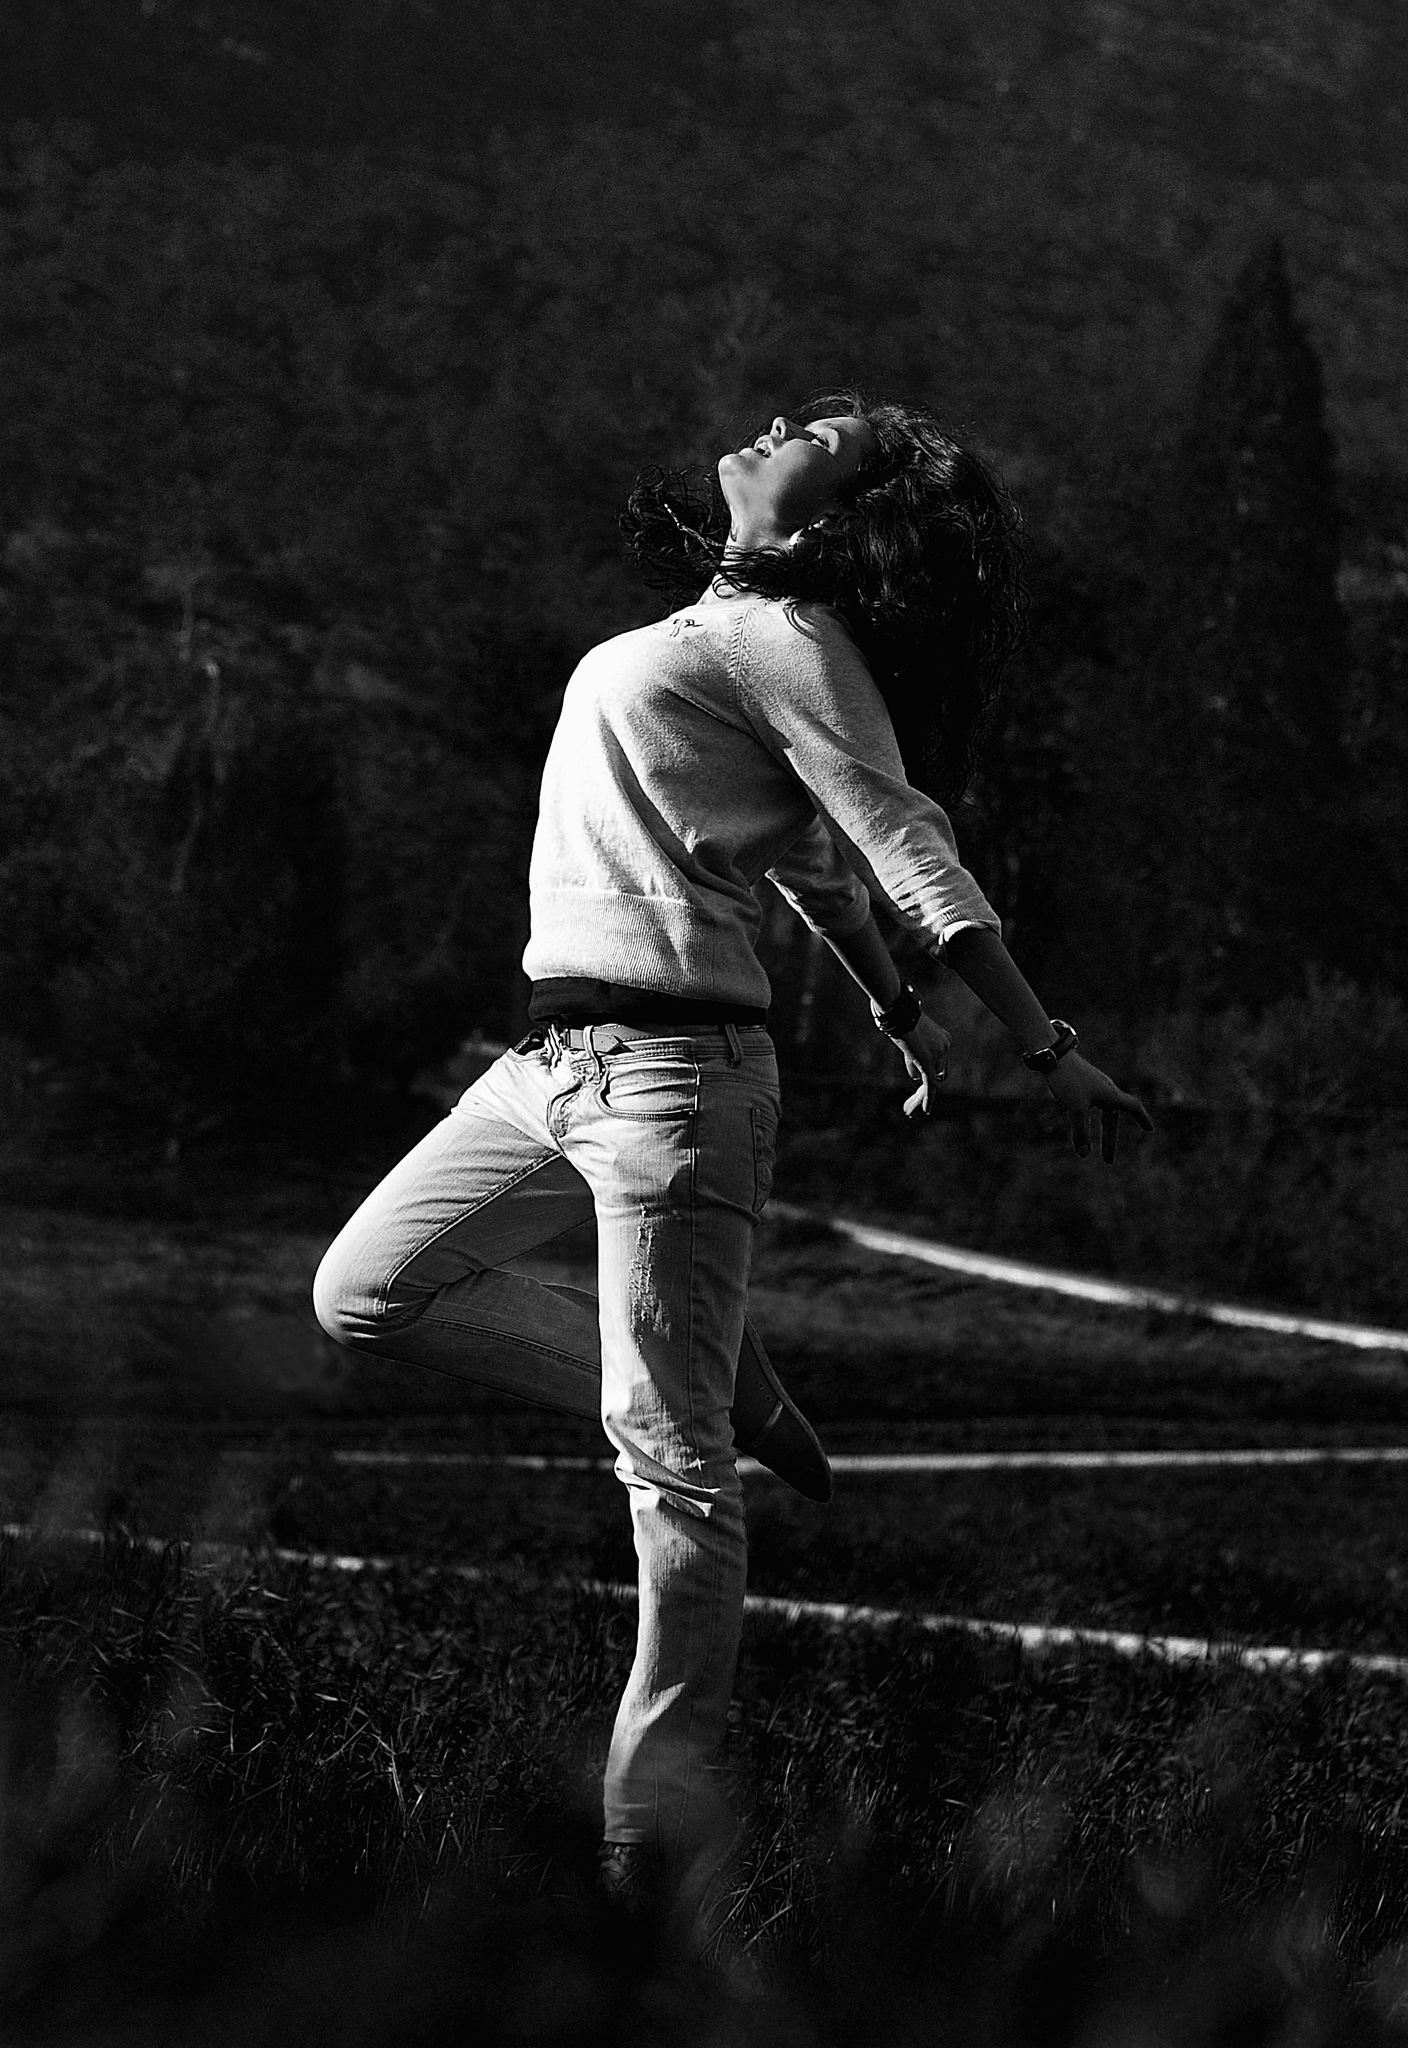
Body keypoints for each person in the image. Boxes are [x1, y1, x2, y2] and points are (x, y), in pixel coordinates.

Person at [312, 391, 1151, 1919]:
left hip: (674, 1082)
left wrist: (1041, 1044)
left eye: (826, 432)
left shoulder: (796, 639)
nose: (781, 422)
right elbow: (798, 857)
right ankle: (729, 1383)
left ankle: (647, 1848)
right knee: (367, 1290)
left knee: (673, 1473)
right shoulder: (715, 635)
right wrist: (892, 1008)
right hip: (550, 1062)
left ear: (841, 513)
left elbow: (899, 843)